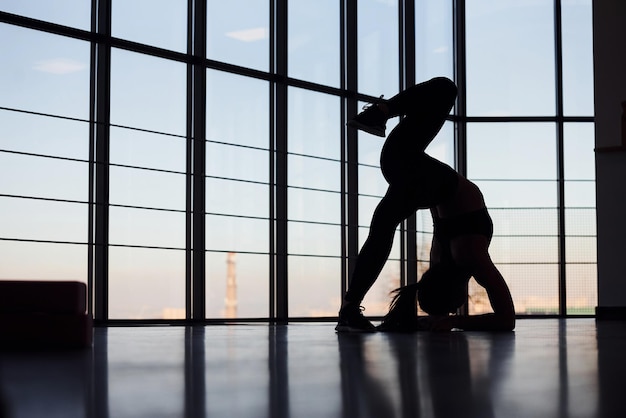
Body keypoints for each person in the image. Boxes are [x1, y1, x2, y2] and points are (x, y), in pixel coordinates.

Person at [336, 77, 515, 333]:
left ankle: (381, 112)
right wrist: (451, 322)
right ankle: (349, 308)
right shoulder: (458, 256)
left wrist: (451, 320)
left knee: (445, 89)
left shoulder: (464, 256)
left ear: (459, 290)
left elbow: (508, 320)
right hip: (408, 172)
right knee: (382, 230)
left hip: (411, 172)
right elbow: (506, 321)